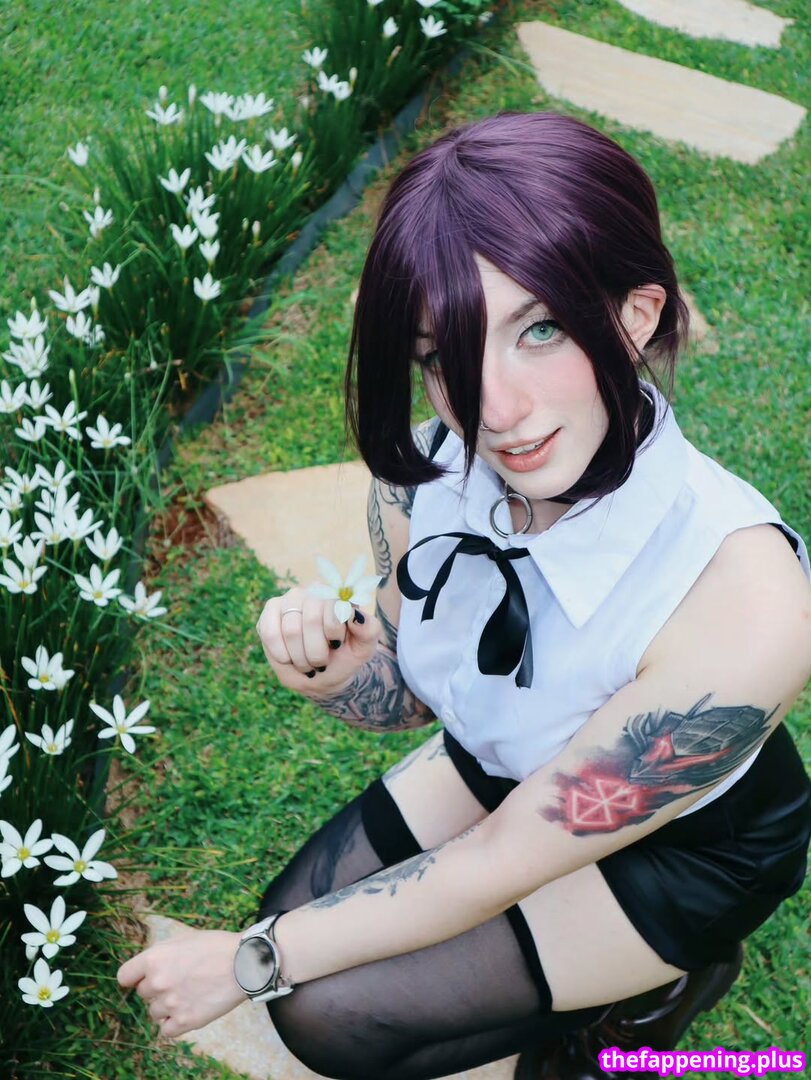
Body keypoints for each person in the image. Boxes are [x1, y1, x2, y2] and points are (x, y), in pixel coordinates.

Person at [117, 111, 811, 1080]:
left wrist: (247, 959)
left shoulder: (746, 601)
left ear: (636, 314)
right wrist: (340, 671)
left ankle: (643, 1002)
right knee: (295, 913)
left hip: (687, 851)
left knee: (329, 1015)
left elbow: (496, 861)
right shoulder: (425, 477)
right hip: (513, 763)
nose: (496, 412)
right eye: (444, 355)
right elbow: (411, 694)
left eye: (540, 329)